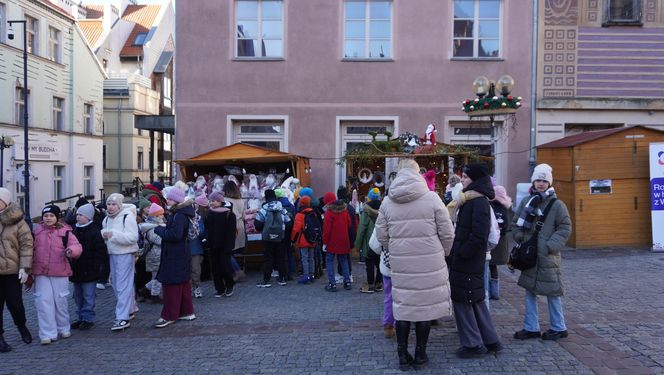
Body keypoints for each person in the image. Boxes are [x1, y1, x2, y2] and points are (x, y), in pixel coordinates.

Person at [375, 159, 455, 370]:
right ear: (418, 173)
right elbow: (447, 232)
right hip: (430, 262)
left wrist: (396, 248)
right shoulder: (432, 198)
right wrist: (443, 253)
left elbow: (382, 235)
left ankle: (402, 355)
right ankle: (420, 354)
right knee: (424, 311)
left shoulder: (387, 202)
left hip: (401, 263)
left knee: (403, 308)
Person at [511, 163, 572, 341]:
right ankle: (531, 328)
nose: (541, 183)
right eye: (538, 180)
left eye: (544, 181)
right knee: (530, 291)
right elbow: (515, 224)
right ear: (533, 181)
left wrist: (549, 246)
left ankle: (559, 327)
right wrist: (521, 238)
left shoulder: (557, 204)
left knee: (552, 292)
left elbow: (565, 227)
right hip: (530, 255)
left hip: (547, 256)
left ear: (549, 183)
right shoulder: (526, 201)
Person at [448, 163, 502, 358]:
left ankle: (472, 344)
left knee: (463, 299)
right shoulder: (472, 199)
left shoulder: (477, 201)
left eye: (465, 177)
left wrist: (461, 252)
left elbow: (479, 234)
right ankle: (490, 340)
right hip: (469, 258)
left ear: (475, 179)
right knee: (476, 299)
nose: (462, 180)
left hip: (468, 259)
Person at [33, 205, 83, 345]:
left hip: (60, 271)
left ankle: (63, 326)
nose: (48, 218)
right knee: (43, 302)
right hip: (41, 271)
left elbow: (77, 246)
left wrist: (71, 251)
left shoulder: (66, 231)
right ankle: (47, 333)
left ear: (57, 217)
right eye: (46, 216)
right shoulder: (36, 231)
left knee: (60, 301)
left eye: (51, 216)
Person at [153, 187, 196, 328]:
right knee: (182, 283)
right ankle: (186, 311)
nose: (167, 200)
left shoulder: (179, 215)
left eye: (170, 198)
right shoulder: (181, 213)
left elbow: (175, 235)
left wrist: (159, 229)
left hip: (175, 254)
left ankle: (169, 315)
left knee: (171, 285)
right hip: (181, 253)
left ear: (177, 200)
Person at [0, 188, 34, 352]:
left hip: (12, 271)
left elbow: (27, 244)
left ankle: (21, 326)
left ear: (5, 202)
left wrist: (25, 267)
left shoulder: (17, 221)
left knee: (15, 304)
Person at [102, 193, 140, 331]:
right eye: (109, 204)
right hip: (113, 253)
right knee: (116, 283)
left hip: (125, 254)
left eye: (113, 204)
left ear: (119, 205)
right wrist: (105, 235)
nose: (111, 207)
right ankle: (129, 309)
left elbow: (133, 237)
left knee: (123, 285)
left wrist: (113, 235)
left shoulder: (127, 216)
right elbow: (107, 236)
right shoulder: (106, 219)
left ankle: (122, 317)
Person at [70, 203, 108, 331]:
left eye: (81, 215)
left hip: (90, 269)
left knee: (88, 295)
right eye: (77, 214)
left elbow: (101, 252)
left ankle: (88, 318)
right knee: (78, 295)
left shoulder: (94, 232)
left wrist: (97, 266)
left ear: (89, 217)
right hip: (76, 269)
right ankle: (80, 316)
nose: (78, 217)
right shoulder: (73, 230)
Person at [254, 189, 291, 288]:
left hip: (267, 238)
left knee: (268, 258)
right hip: (280, 237)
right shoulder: (282, 208)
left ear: (266, 197)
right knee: (281, 257)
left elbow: (257, 224)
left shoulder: (264, 209)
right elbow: (288, 222)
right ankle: (282, 278)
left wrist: (264, 229)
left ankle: (266, 280)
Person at [205, 191, 237, 297]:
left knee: (225, 267)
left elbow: (231, 232)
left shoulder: (229, 214)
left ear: (220, 201)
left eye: (214, 201)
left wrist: (229, 246)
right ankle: (219, 288)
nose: (212, 203)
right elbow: (208, 229)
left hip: (225, 246)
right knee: (215, 268)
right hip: (213, 245)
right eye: (211, 201)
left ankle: (230, 285)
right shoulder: (210, 213)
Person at [322, 192, 353, 292]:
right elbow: (349, 223)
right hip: (344, 239)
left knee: (329, 261)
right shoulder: (344, 210)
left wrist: (324, 242)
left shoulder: (329, 212)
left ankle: (332, 283)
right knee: (343, 260)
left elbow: (327, 229)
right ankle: (347, 281)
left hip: (332, 240)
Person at [355, 188, 382, 294]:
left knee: (369, 264)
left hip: (369, 243)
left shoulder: (366, 212)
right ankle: (379, 284)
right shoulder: (384, 210)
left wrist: (357, 246)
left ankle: (370, 285)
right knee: (380, 263)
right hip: (381, 242)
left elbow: (361, 230)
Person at [369, 228, 395, 339]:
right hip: (410, 265)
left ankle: (389, 325)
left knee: (389, 296)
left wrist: (385, 249)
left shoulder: (385, 215)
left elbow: (374, 244)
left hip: (389, 264)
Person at [488, 185, 513, 300]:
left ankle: (488, 291)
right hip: (502, 243)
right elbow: (509, 226)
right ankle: (495, 292)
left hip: (492, 241)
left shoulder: (491, 206)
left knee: (487, 266)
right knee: (494, 268)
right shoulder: (507, 207)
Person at [139, 203, 166, 304]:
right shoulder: (151, 228)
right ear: (155, 216)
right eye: (160, 215)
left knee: (159, 276)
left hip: (158, 254)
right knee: (157, 277)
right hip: (154, 255)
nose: (162, 216)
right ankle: (154, 295)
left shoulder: (157, 225)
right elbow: (158, 240)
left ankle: (145, 290)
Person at [290, 196, 317, 284]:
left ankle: (306, 276)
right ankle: (312, 275)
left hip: (303, 240)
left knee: (304, 258)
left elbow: (296, 230)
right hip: (312, 239)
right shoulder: (313, 213)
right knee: (311, 258)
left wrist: (293, 240)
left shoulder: (299, 215)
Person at [223, 181, 246, 281]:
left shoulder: (225, 200)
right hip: (240, 224)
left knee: (227, 250)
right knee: (232, 250)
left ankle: (236, 271)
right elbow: (244, 216)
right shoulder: (241, 200)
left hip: (230, 225)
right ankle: (235, 271)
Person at [191, 194, 209, 298]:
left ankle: (196, 287)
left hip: (195, 248)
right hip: (185, 248)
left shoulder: (198, 218)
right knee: (187, 270)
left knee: (196, 270)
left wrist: (196, 228)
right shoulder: (182, 218)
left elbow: (202, 231)